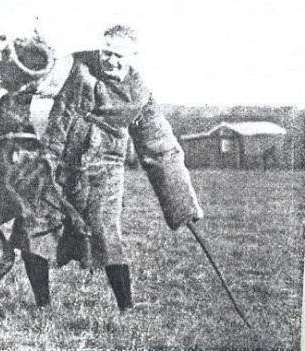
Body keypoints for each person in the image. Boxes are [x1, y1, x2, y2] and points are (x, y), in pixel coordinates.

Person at [42, 25, 203, 311]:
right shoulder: (76, 68)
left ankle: (126, 308)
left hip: (105, 173)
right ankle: (42, 305)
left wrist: (182, 204)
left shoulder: (139, 94)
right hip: (61, 163)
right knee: (38, 226)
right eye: (106, 52)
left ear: (132, 55)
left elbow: (161, 147)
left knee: (106, 234)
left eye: (118, 55)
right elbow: (47, 89)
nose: (110, 60)